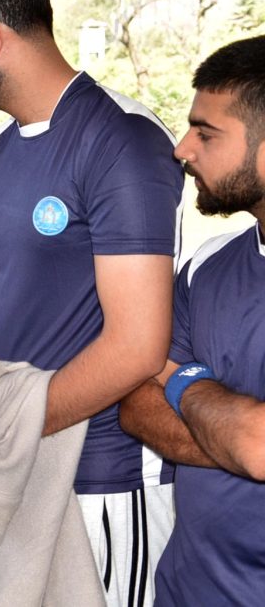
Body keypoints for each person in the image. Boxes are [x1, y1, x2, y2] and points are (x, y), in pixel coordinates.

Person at [0, 0, 182, 606]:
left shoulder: (123, 139)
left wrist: (5, 434)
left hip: (102, 478)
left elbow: (138, 345)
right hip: (14, 468)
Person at [119, 35, 265, 605]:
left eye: (206, 133)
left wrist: (185, 383)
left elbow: (256, 443)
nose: (182, 149)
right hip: (184, 588)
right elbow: (137, 402)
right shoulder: (208, 265)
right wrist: (233, 435)